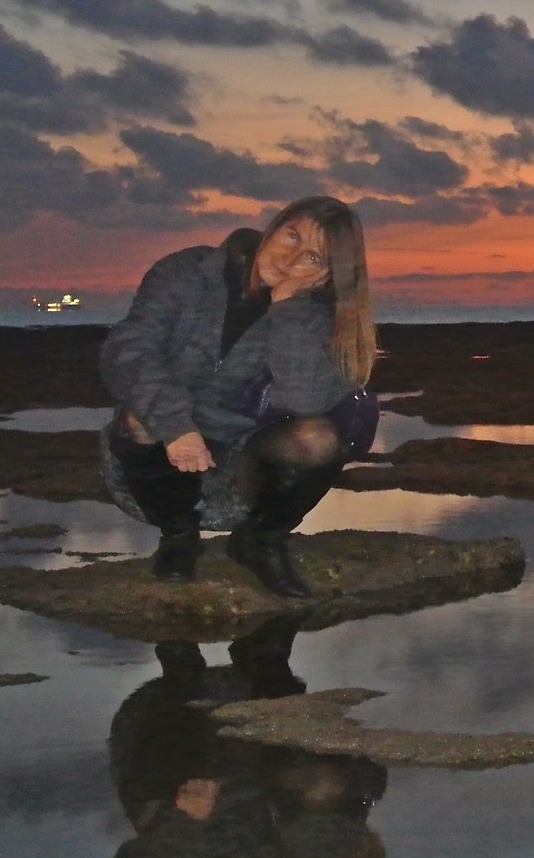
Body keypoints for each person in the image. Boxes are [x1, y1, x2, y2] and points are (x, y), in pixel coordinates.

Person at [99, 196, 380, 597]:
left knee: (318, 437)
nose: (290, 258)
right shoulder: (190, 271)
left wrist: (288, 308)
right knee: (139, 419)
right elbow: (129, 347)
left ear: (328, 276)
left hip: (245, 477)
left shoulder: (319, 318)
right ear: (274, 226)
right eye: (292, 235)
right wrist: (175, 424)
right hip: (159, 465)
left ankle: (261, 541)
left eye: (313, 258)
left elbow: (304, 401)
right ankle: (179, 537)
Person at [108, 618, 388, 858]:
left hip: (165, 760)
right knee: (320, 781)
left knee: (194, 768)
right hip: (255, 776)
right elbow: (332, 821)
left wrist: (185, 823)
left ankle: (181, 664)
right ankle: (266, 662)